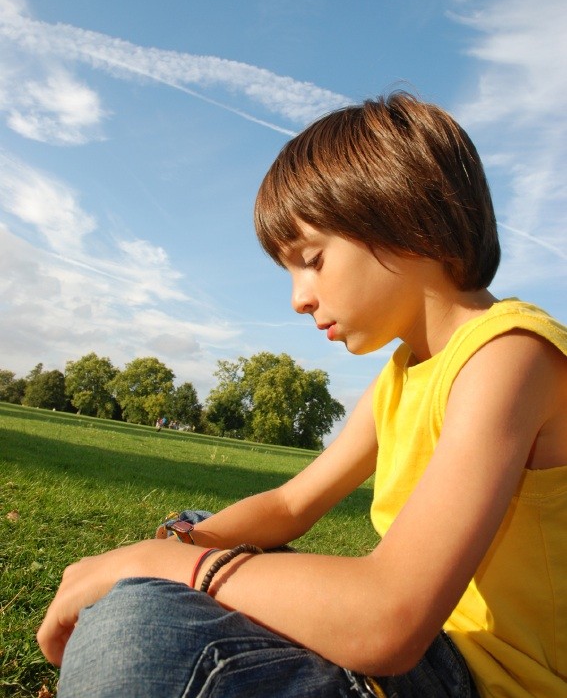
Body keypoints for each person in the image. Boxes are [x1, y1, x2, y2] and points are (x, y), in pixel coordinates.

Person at [37, 93, 567, 697]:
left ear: (410, 223)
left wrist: (152, 569)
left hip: (475, 676)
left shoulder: (510, 357)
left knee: (143, 620)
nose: (299, 298)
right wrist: (172, 549)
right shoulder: (402, 374)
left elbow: (390, 619)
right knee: (196, 529)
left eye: (312, 260)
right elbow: (292, 504)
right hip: (427, 656)